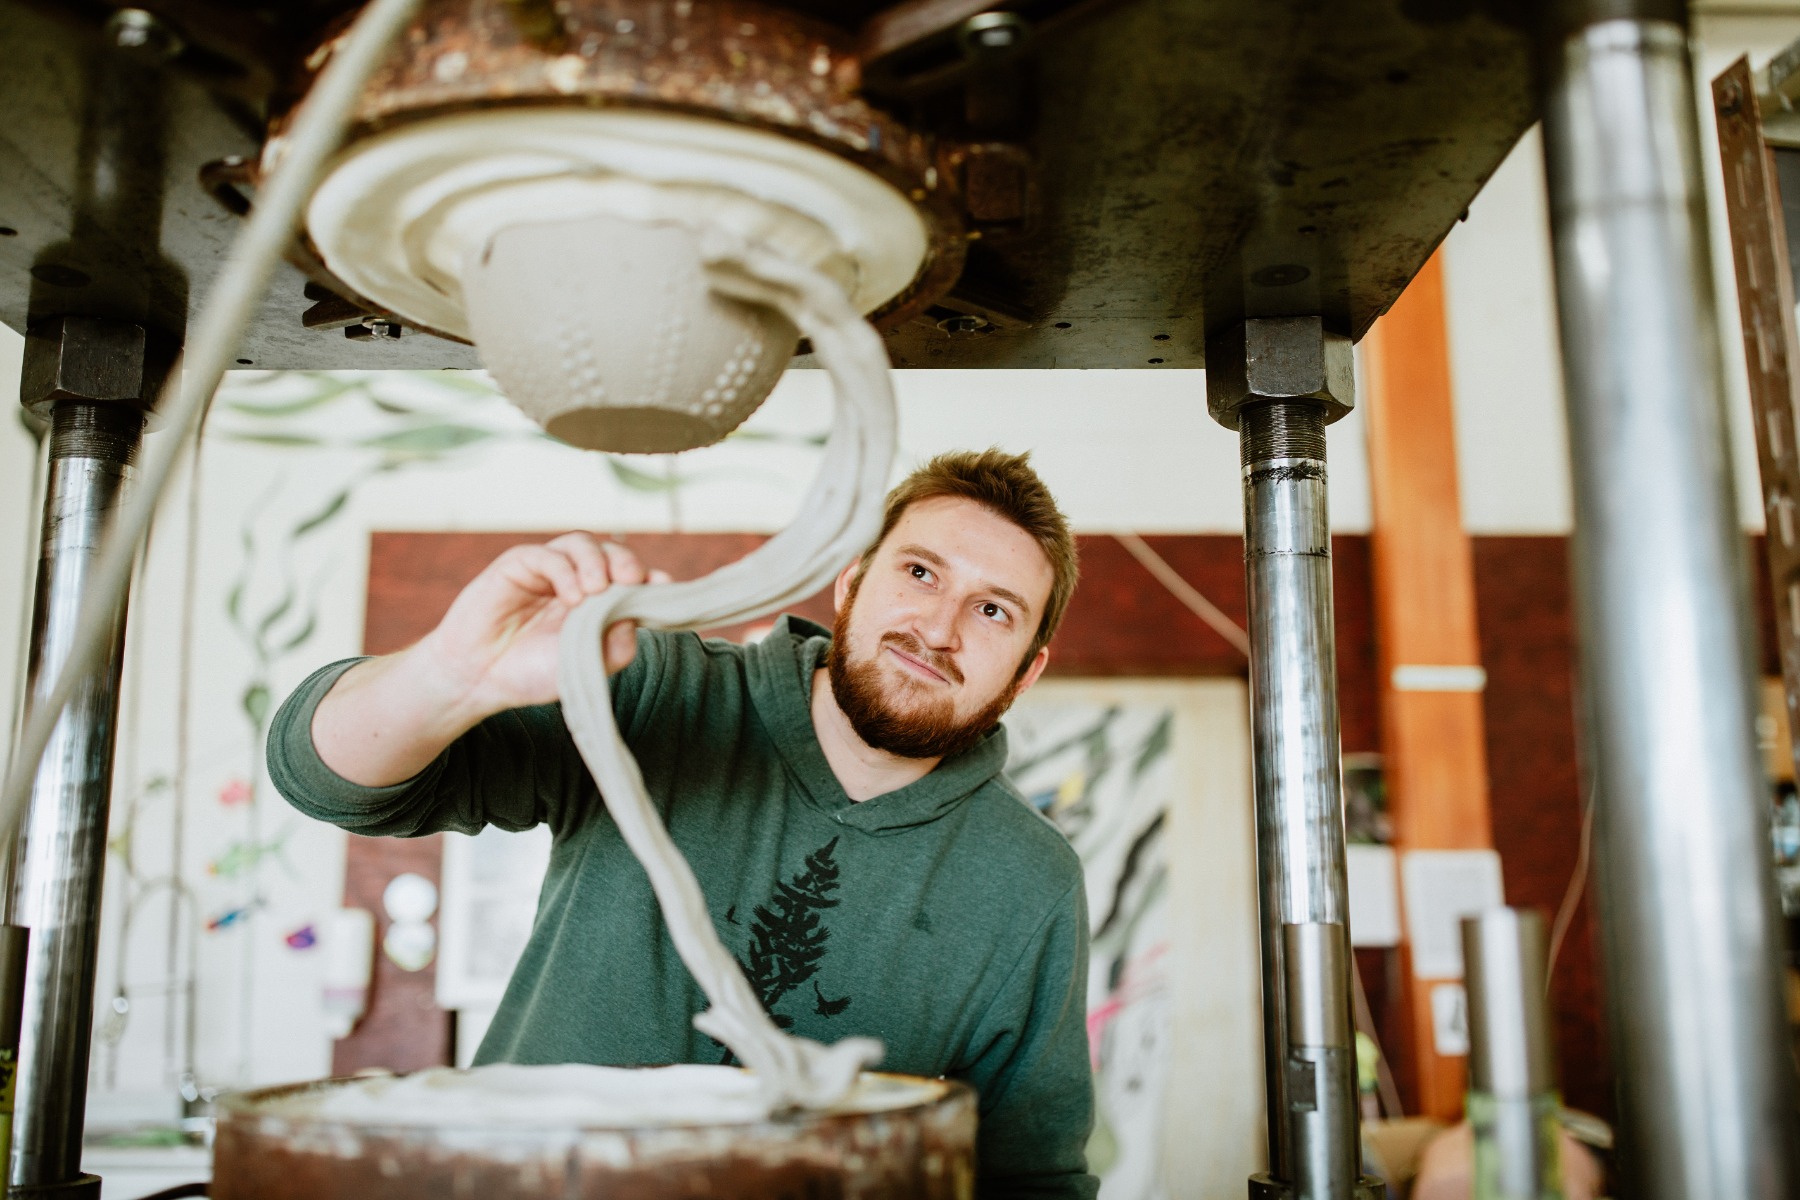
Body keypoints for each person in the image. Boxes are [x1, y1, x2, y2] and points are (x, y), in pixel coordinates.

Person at [268, 448, 1096, 1198]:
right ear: (852, 585)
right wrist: (452, 677)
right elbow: (325, 779)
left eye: (994, 611)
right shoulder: (657, 689)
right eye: (920, 573)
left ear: (1026, 674)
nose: (940, 629)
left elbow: (1031, 1180)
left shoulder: (1032, 881)